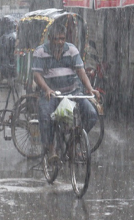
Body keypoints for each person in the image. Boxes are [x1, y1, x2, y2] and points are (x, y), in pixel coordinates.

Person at [32, 23, 100, 162]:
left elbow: (81, 71)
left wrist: (90, 88)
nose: (60, 42)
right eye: (57, 39)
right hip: (51, 94)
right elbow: (37, 75)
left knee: (92, 114)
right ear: (50, 38)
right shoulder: (40, 51)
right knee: (46, 117)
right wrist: (47, 89)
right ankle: (51, 149)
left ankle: (73, 143)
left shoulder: (72, 50)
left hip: (72, 91)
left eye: (62, 38)